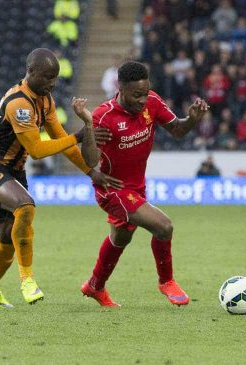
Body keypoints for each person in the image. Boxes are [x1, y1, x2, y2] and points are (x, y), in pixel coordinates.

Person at [0, 48, 120, 309]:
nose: (53, 83)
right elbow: (37, 150)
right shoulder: (18, 103)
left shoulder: (45, 100)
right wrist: (78, 136)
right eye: (48, 77)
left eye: (56, 78)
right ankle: (27, 279)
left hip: (13, 171)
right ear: (31, 72)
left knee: (6, 236)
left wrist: (91, 172)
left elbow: (62, 140)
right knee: (25, 206)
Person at [79, 61, 208, 307]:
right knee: (164, 227)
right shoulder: (103, 116)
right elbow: (91, 160)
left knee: (121, 238)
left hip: (136, 186)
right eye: (136, 94)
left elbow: (178, 131)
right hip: (113, 189)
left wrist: (191, 120)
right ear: (121, 88)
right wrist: (89, 131)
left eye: (145, 92)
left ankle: (95, 286)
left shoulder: (153, 102)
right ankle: (166, 281)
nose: (142, 99)